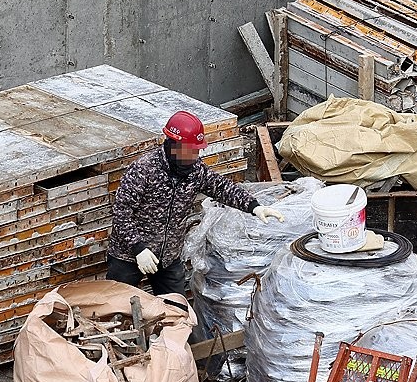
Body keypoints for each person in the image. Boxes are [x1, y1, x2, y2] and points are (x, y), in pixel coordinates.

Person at [106, 110, 284, 296]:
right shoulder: (144, 169)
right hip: (128, 255)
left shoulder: (195, 171)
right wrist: (138, 248)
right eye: (190, 150)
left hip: (167, 257)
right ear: (174, 145)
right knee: (117, 309)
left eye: (197, 150)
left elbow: (221, 187)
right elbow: (121, 212)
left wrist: (254, 206)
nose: (195, 155)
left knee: (177, 312)